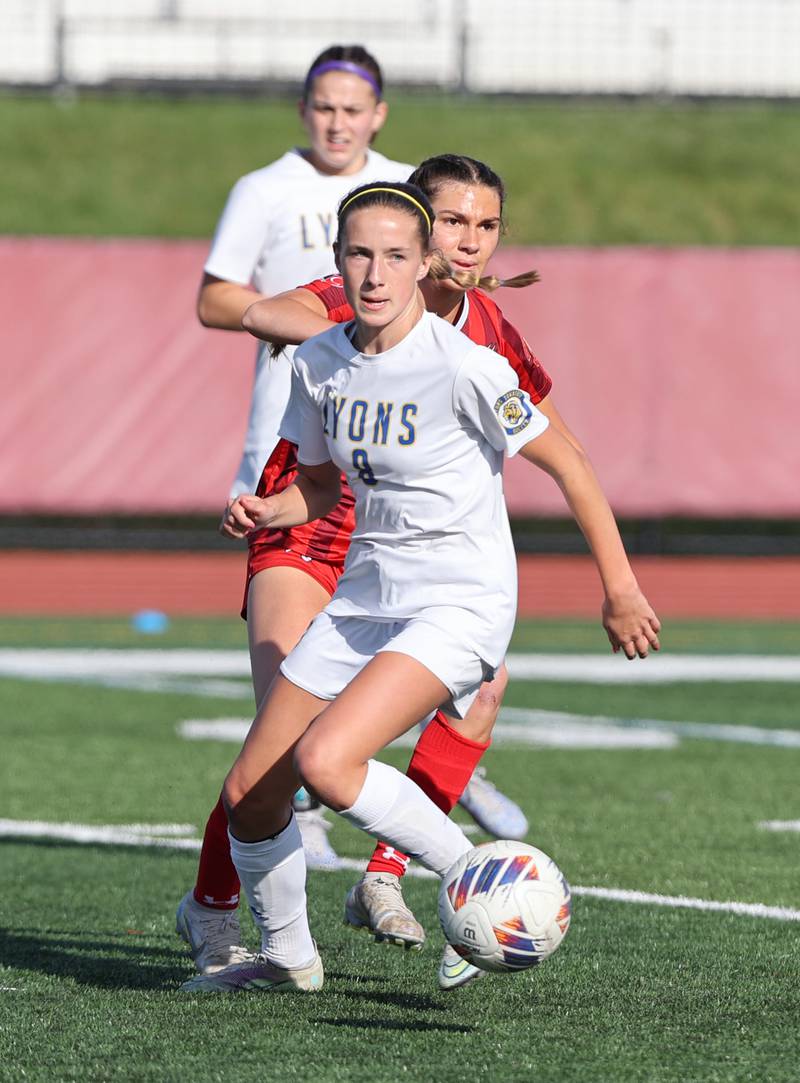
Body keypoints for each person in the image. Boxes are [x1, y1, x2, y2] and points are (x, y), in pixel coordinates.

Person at [181, 181, 660, 994]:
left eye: (395, 256)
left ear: (424, 263)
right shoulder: (323, 358)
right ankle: (290, 960)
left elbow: (571, 464)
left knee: (330, 762)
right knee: (249, 796)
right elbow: (326, 489)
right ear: (336, 262)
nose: (375, 273)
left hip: (460, 598)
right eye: (360, 254)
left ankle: (479, 876)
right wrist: (270, 506)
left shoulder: (466, 366)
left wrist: (619, 587)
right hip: (366, 597)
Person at [175, 44, 414, 971]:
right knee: (284, 726)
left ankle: (385, 870)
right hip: (291, 472)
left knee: (467, 687)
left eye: (353, 108)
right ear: (305, 109)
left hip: (389, 482)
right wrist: (328, 317)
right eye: (323, 106)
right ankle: (225, 906)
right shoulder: (266, 189)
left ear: (380, 114)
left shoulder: (405, 191)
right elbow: (215, 300)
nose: (338, 122)